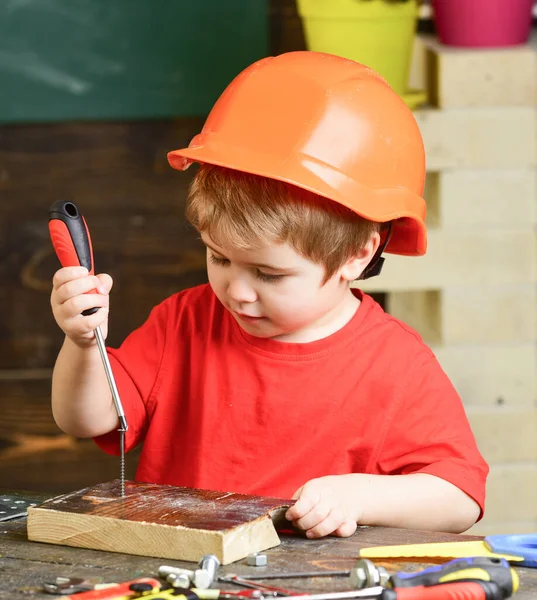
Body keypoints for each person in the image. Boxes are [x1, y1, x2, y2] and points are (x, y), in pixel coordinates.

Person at [50, 51, 488, 539]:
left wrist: (359, 496)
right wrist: (83, 343)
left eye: (269, 274)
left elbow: (459, 500)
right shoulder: (183, 322)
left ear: (357, 257)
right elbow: (86, 418)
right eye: (219, 257)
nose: (236, 291)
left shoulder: (397, 365)